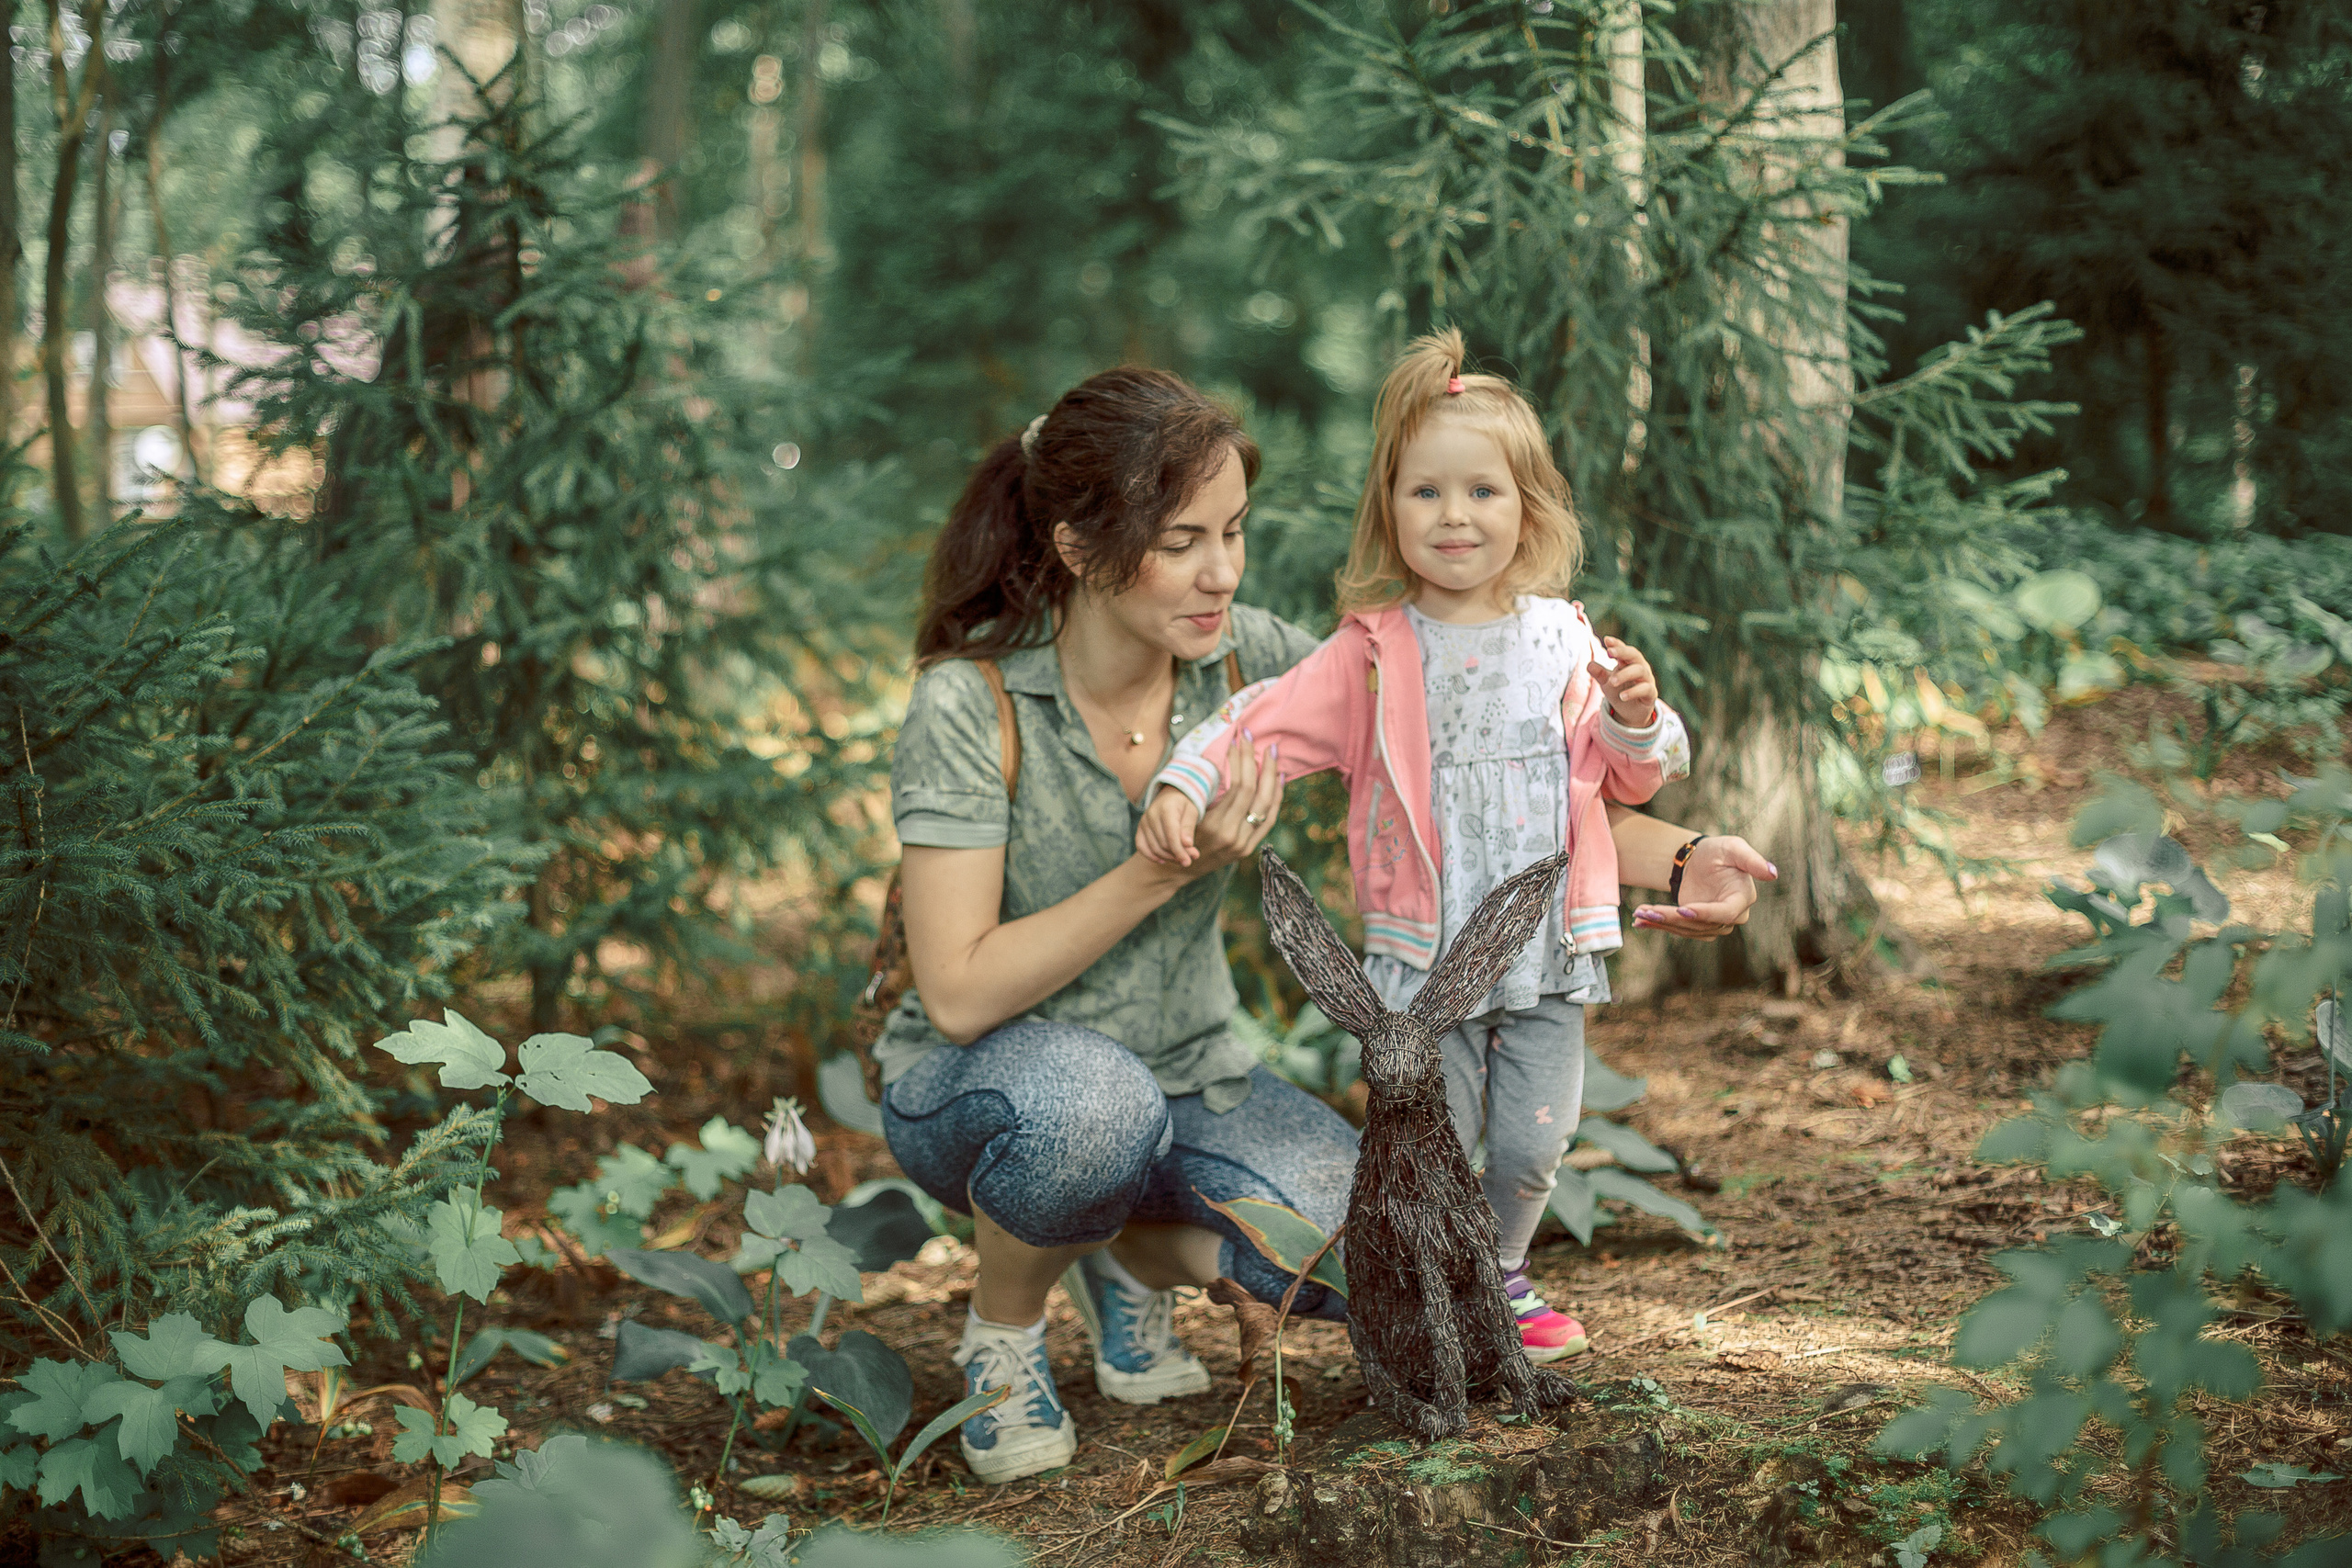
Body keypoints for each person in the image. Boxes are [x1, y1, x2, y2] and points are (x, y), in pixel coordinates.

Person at [877, 364, 1772, 1485]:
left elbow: (1483, 795)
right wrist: (1164, 872)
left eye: (1234, 532)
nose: (1221, 572)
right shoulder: (976, 702)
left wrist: (1689, 854)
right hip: (986, 1082)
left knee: (1381, 1267)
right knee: (1087, 1115)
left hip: (1194, 1077)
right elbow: (958, 990)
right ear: (1078, 549)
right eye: (1182, 541)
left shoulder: (1250, 651)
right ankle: (1005, 1336)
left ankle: (1113, 1259)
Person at [1138, 329, 1682, 1368]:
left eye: (1482, 491)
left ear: (1528, 507)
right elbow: (1263, 716)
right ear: (1390, 507)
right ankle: (1448, 1288)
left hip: (1544, 949)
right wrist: (1186, 778)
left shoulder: (1564, 638)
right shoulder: (1373, 654)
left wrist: (1636, 718)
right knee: (1430, 1139)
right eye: (1425, 492)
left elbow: (1627, 779)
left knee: (1531, 1143)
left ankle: (1506, 1270)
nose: (1454, 515)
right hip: (1422, 968)